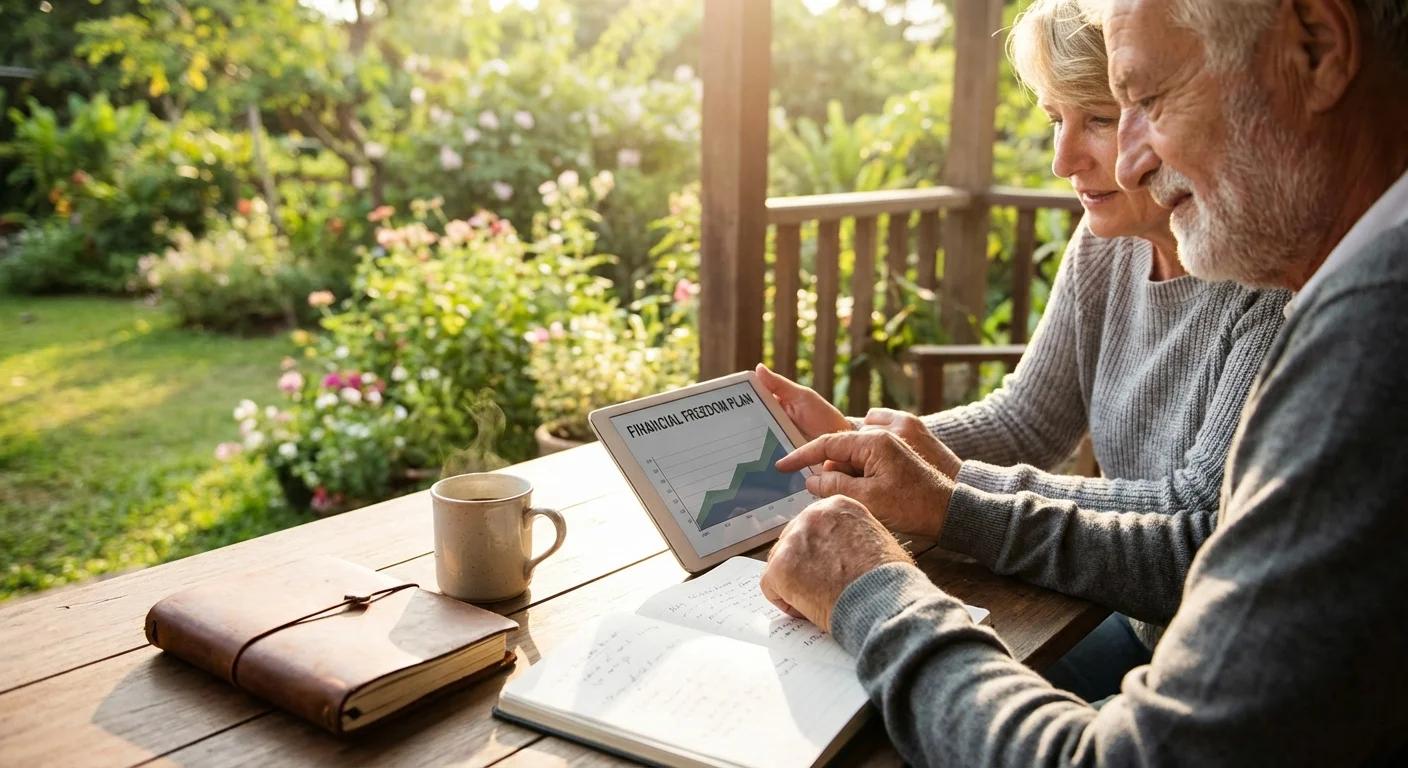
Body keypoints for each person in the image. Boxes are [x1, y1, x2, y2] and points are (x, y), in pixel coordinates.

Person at [760, 0, 1408, 763]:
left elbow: (1194, 532)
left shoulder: (1352, 322)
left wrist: (882, 578)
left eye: (1144, 101)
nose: (1121, 162)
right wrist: (869, 449)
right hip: (1139, 630)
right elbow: (1028, 418)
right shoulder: (1336, 282)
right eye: (1073, 117)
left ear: (1318, 48)